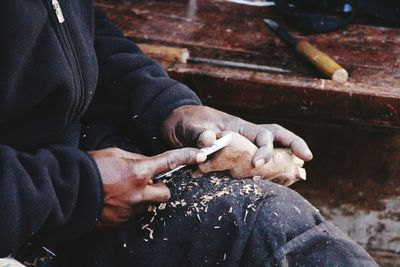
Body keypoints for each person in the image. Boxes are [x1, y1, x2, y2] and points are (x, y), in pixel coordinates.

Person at [0, 1, 377, 266]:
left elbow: (72, 25)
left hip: (68, 171)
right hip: (28, 205)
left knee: (276, 230)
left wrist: (167, 105)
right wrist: (73, 190)